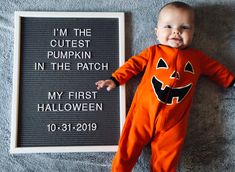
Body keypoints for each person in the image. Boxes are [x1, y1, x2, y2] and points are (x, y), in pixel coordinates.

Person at [96, 1, 235, 172]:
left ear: (193, 33)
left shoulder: (198, 58)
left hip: (174, 120)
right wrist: (115, 79)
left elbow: (217, 70)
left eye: (184, 27)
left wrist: (230, 80)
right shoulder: (153, 52)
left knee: (167, 160)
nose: (176, 31)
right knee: (127, 149)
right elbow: (133, 65)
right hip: (143, 113)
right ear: (157, 32)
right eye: (168, 26)